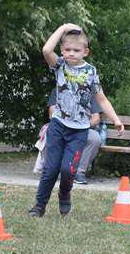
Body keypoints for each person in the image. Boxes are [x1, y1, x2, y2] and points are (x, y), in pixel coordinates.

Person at [32, 24, 123, 217]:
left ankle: (64, 194)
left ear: (85, 52)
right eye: (67, 49)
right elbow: (46, 50)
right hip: (58, 126)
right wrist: (63, 28)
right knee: (50, 170)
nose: (71, 53)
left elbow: (101, 99)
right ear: (62, 50)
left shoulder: (90, 71)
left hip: (79, 131)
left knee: (68, 170)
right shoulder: (59, 66)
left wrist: (115, 119)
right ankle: (39, 207)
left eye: (76, 50)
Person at [33, 91, 105, 184]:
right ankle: (51, 170)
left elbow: (96, 118)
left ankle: (79, 172)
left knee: (94, 138)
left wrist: (81, 125)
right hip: (61, 128)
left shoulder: (88, 93)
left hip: (83, 128)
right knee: (50, 133)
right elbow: (52, 114)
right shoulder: (59, 89)